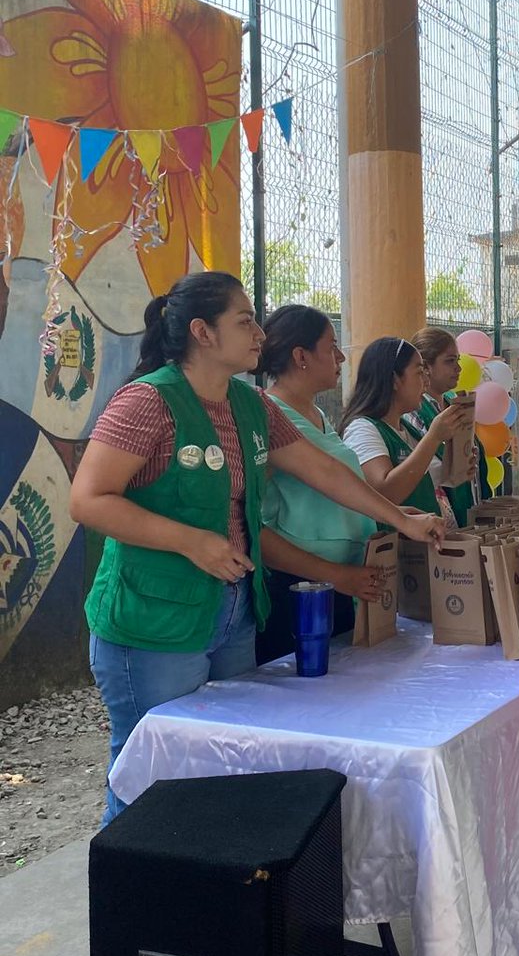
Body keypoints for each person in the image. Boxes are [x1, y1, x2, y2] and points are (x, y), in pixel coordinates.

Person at [69, 272, 444, 828]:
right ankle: (133, 906)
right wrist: (191, 541)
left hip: (232, 612)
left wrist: (397, 519)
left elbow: (326, 473)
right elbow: (88, 500)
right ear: (202, 332)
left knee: (228, 762)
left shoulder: (250, 405)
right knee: (147, 775)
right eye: (244, 321)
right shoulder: (147, 401)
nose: (259, 335)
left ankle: (212, 898)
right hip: (152, 623)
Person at [254, 304, 383, 665]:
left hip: (344, 582)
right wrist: (335, 575)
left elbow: (336, 493)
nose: (341, 356)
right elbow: (257, 527)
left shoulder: (318, 415)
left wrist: (396, 515)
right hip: (299, 588)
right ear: (301, 356)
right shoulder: (268, 414)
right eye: (331, 346)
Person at [338, 336, 472, 522]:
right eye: (419, 373)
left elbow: (420, 476)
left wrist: (457, 467)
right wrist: (433, 438)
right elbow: (384, 493)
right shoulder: (362, 429)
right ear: (394, 379)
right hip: (397, 547)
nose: (426, 380)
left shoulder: (406, 429)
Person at [403, 325, 488, 528]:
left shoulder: (453, 404)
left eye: (457, 360)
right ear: (426, 367)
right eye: (450, 361)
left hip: (466, 509)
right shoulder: (413, 412)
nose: (458, 368)